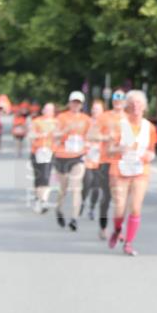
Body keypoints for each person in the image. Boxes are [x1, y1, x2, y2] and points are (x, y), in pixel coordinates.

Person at [106, 90, 157, 255]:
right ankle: (117, 229)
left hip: (140, 170)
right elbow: (109, 150)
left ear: (144, 106)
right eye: (133, 103)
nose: (136, 106)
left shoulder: (149, 127)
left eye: (139, 103)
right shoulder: (120, 125)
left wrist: (150, 155)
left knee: (135, 207)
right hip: (120, 169)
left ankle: (128, 243)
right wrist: (120, 148)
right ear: (127, 106)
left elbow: (151, 150)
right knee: (120, 208)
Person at [53, 91, 91, 232]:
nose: (76, 105)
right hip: (62, 156)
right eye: (74, 102)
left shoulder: (86, 119)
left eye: (78, 102)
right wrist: (65, 131)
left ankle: (74, 219)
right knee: (63, 189)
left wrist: (88, 146)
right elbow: (54, 135)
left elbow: (91, 136)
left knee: (76, 187)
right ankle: (58, 209)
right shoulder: (62, 117)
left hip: (78, 156)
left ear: (82, 105)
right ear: (69, 103)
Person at [96, 89, 126, 240]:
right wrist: (105, 136)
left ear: (125, 102)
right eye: (116, 99)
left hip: (123, 162)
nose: (118, 102)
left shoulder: (128, 118)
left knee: (121, 197)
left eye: (121, 99)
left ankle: (119, 228)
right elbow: (91, 134)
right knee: (106, 197)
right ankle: (103, 227)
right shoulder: (104, 117)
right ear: (112, 101)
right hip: (106, 161)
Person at [28, 102, 57, 213]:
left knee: (46, 176)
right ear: (43, 110)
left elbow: (61, 135)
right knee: (38, 177)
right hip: (37, 152)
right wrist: (41, 135)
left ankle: (43, 200)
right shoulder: (36, 121)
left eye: (50, 110)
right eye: (46, 109)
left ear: (53, 112)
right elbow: (30, 135)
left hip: (50, 152)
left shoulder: (56, 122)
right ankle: (37, 197)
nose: (48, 112)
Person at [81, 100, 104, 221]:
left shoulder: (106, 123)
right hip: (88, 157)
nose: (96, 111)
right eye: (94, 109)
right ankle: (82, 201)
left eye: (98, 109)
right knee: (87, 182)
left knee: (96, 186)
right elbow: (81, 136)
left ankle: (92, 208)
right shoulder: (87, 122)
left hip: (100, 159)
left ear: (103, 111)